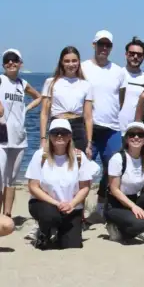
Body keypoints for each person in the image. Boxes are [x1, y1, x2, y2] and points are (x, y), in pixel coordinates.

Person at [25, 118, 99, 249]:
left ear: (70, 136)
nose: (59, 136)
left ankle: (59, 231)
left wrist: (72, 204)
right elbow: (33, 187)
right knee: (50, 217)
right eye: (55, 133)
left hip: (71, 207)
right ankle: (43, 231)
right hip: (45, 204)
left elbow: (85, 188)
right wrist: (57, 204)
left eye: (64, 133)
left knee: (72, 245)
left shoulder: (79, 157)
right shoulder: (40, 155)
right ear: (50, 136)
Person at [82, 30, 126, 210]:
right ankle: (80, 209)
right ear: (94, 45)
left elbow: (120, 98)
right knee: (83, 170)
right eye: (101, 44)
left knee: (114, 168)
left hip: (112, 128)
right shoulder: (83, 67)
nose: (104, 48)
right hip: (88, 128)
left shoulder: (118, 71)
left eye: (108, 45)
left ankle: (101, 204)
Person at [1, 48, 42, 219]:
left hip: (19, 137)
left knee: (11, 180)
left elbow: (39, 97)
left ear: (20, 63)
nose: (11, 62)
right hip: (1, 136)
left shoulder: (22, 84)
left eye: (14, 59)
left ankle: (7, 215)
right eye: (7, 60)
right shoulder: (1, 80)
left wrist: (27, 109)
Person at [104, 122, 144, 244]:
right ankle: (114, 226)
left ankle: (142, 228)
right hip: (116, 204)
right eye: (132, 134)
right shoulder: (118, 158)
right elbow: (114, 189)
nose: (136, 137)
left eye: (140, 134)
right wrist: (133, 206)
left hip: (135, 199)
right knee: (139, 223)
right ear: (127, 139)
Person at [40, 46, 93, 152]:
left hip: (78, 127)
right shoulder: (50, 83)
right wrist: (43, 139)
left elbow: (88, 117)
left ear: (79, 62)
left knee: (78, 163)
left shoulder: (86, 85)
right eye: (67, 61)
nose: (71, 64)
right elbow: (44, 113)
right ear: (61, 63)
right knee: (56, 164)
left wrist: (89, 143)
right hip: (57, 125)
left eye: (74, 61)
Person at [118, 37, 144, 135]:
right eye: (132, 54)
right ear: (126, 54)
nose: (135, 57)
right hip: (116, 131)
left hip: (137, 134)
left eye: (139, 55)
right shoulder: (117, 74)